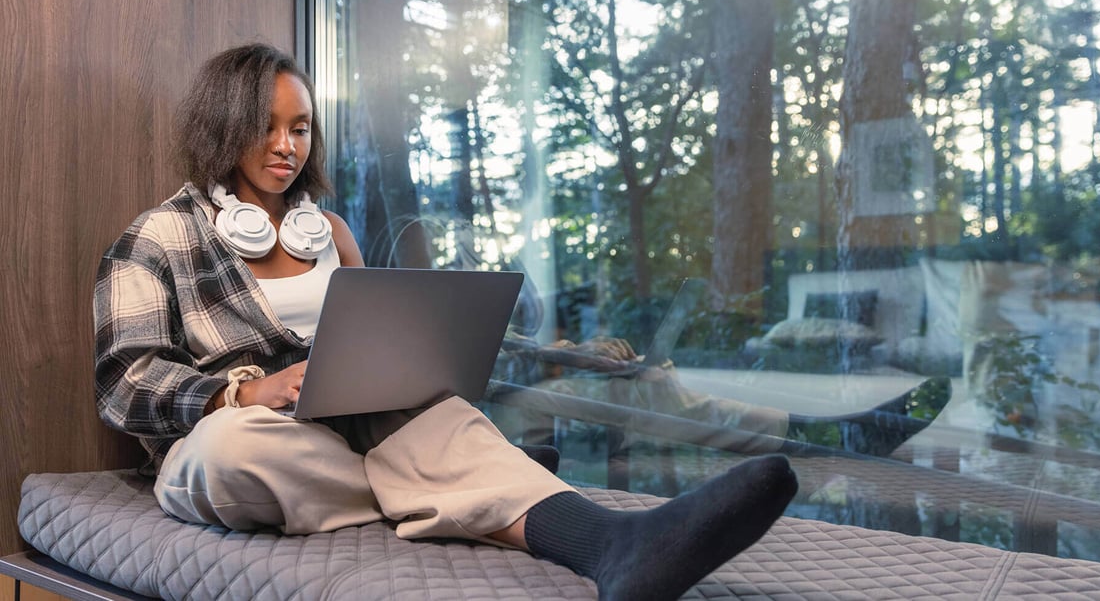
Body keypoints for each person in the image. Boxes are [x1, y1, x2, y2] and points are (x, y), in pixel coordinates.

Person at [93, 43, 798, 601]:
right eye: (266, 127)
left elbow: (384, 335)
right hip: (237, 438)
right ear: (223, 127)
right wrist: (247, 393)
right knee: (232, 454)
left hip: (351, 426)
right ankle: (483, 481)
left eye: (300, 127)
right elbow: (124, 383)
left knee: (433, 415)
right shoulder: (158, 237)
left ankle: (615, 544)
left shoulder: (328, 230)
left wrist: (563, 351)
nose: (287, 146)